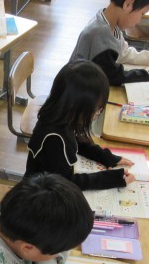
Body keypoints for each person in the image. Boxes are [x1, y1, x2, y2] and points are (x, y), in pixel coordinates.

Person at [25, 60, 136, 191]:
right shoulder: (54, 139)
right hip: (41, 197)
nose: (98, 113)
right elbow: (65, 183)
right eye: (97, 109)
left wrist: (107, 157)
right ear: (76, 106)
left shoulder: (62, 116)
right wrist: (110, 179)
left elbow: (79, 143)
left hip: (51, 189)